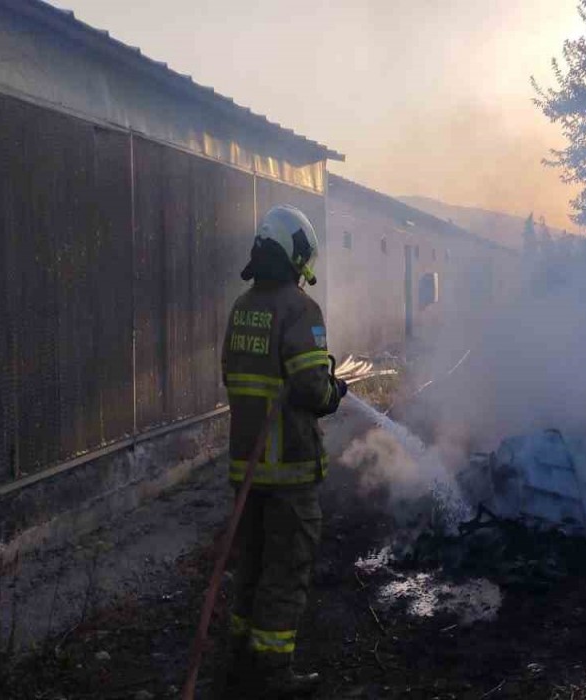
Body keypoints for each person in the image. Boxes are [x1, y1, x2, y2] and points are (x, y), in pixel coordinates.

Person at [220, 204, 348, 697]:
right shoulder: (300, 310)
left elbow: (231, 375)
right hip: (290, 472)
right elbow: (315, 390)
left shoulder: (242, 307)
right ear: (295, 256)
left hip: (246, 471)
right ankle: (271, 678)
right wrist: (334, 392)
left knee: (250, 569)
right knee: (285, 572)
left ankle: (237, 666)